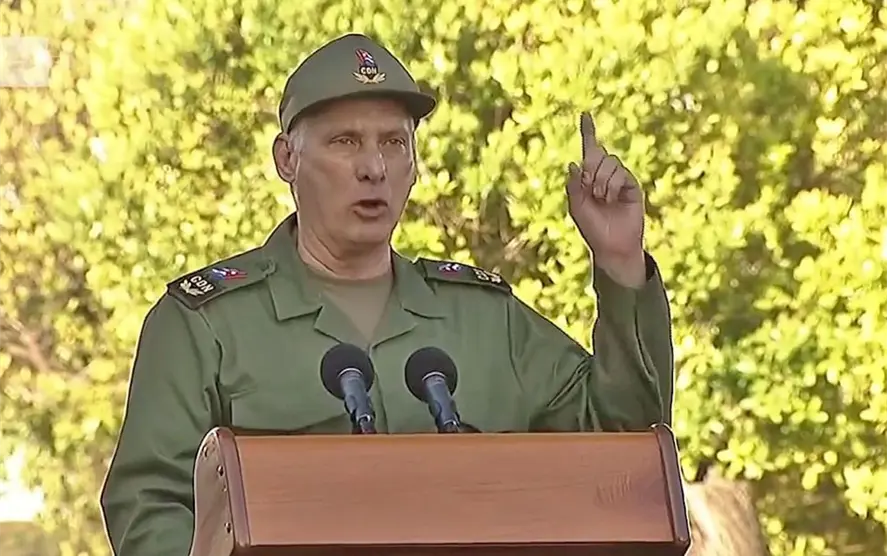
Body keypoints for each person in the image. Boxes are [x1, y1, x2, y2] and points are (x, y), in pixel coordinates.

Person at [99, 33, 675, 555]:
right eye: (345, 141)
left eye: (394, 142)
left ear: (415, 165)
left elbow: (625, 448)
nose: (373, 167)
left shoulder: (486, 320)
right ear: (286, 159)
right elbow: (149, 506)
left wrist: (619, 259)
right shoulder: (205, 325)